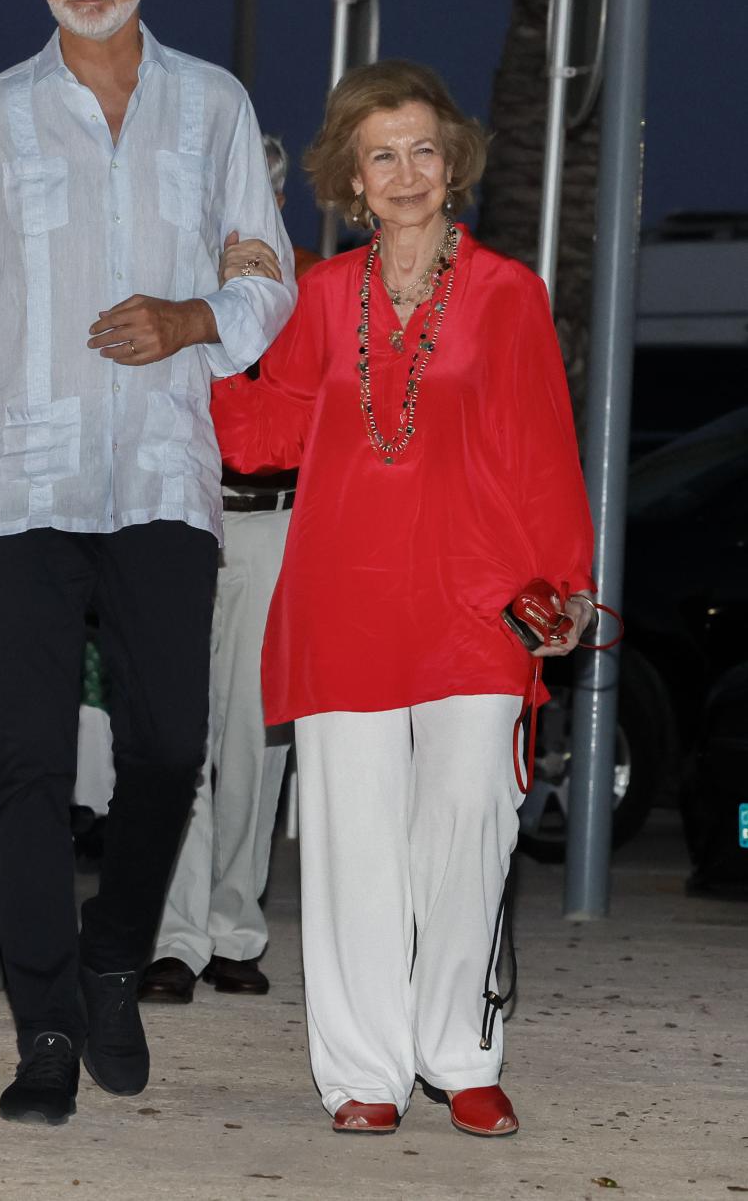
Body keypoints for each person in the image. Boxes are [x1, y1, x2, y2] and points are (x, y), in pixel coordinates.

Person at [0, 0, 294, 1127]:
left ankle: (118, 954)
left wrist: (192, 316)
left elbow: (268, 286)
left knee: (173, 744)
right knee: (30, 764)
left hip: (164, 476)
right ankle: (49, 1020)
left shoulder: (214, 109)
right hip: (17, 482)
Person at [210, 60, 596, 1138]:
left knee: (470, 825)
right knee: (351, 843)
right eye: (382, 154)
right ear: (350, 178)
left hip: (479, 605)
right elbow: (256, 435)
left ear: (452, 161)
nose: (407, 171)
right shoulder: (322, 300)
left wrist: (562, 589)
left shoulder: (509, 294)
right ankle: (364, 1076)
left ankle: (461, 1054)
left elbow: (544, 457)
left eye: (422, 148)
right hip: (344, 603)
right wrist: (214, 314)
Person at [141, 136, 318, 1005]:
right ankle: (174, 935)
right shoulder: (168, 297)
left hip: (278, 523)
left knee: (255, 735)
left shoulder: (319, 290)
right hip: (179, 518)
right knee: (181, 730)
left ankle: (235, 927)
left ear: (277, 203)